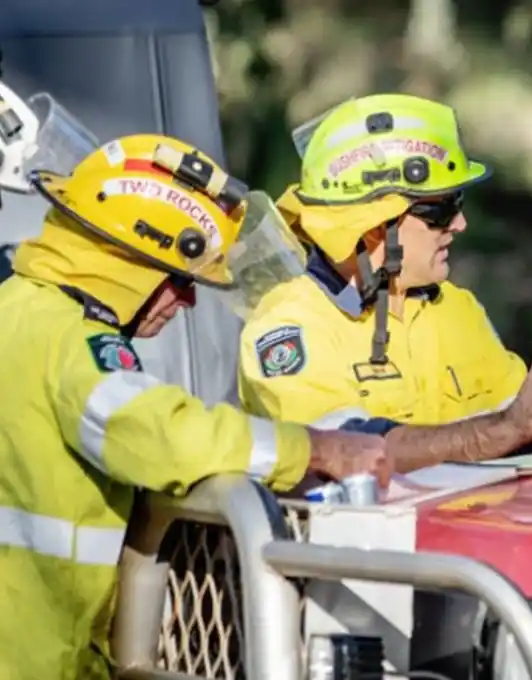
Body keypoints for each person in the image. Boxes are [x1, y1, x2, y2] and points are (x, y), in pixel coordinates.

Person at [0, 90, 391, 680]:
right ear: (127, 263)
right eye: (179, 280)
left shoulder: (18, 308)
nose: (184, 303)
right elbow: (159, 435)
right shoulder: (71, 343)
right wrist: (315, 448)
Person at [236, 93, 532, 471]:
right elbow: (351, 451)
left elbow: (526, 416)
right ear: (372, 226)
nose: (461, 224)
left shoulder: (454, 308)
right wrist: (501, 431)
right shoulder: (288, 325)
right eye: (440, 211)